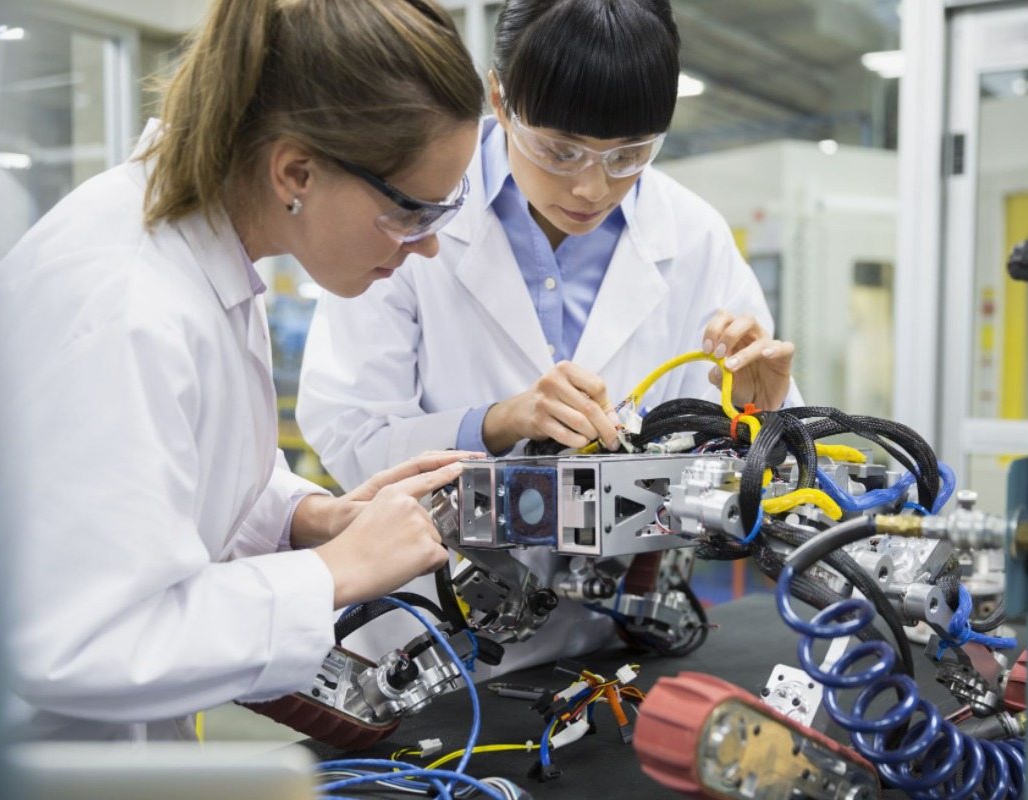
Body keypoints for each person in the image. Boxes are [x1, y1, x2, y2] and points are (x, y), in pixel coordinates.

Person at [0, 0, 484, 741]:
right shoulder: (128, 303)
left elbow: (166, 476)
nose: (427, 248)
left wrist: (306, 516)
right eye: (411, 213)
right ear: (297, 170)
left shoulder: (208, 250)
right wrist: (334, 572)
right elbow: (81, 639)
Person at [297, 0, 802, 673]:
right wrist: (500, 423)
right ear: (500, 100)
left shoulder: (693, 234)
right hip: (429, 641)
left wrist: (760, 414)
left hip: (607, 643)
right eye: (559, 150)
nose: (592, 187)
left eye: (629, 155)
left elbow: (756, 485)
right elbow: (350, 434)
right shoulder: (414, 204)